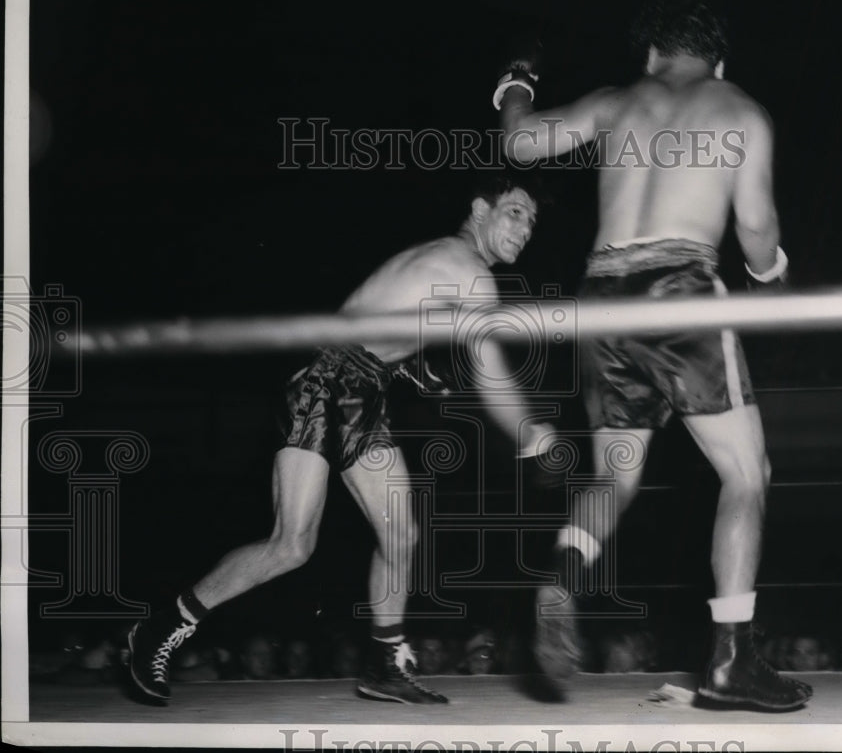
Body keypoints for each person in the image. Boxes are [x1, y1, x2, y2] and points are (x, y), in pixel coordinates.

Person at [128, 174, 555, 705]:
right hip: (329, 380)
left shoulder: (443, 263)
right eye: (515, 212)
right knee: (291, 545)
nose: (526, 228)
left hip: (360, 385)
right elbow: (489, 367)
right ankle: (160, 628)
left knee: (400, 534)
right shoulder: (466, 269)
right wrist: (530, 431)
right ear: (479, 209)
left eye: (533, 220)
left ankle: (384, 663)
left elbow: (379, 322)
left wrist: (408, 369)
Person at [496, 0, 811, 710]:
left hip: (600, 296)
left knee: (616, 475)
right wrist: (772, 275)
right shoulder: (738, 110)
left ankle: (563, 579)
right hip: (680, 288)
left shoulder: (615, 102)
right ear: (718, 58)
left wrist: (516, 76)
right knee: (745, 471)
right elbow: (756, 229)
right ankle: (731, 660)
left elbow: (517, 142)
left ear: (649, 55)